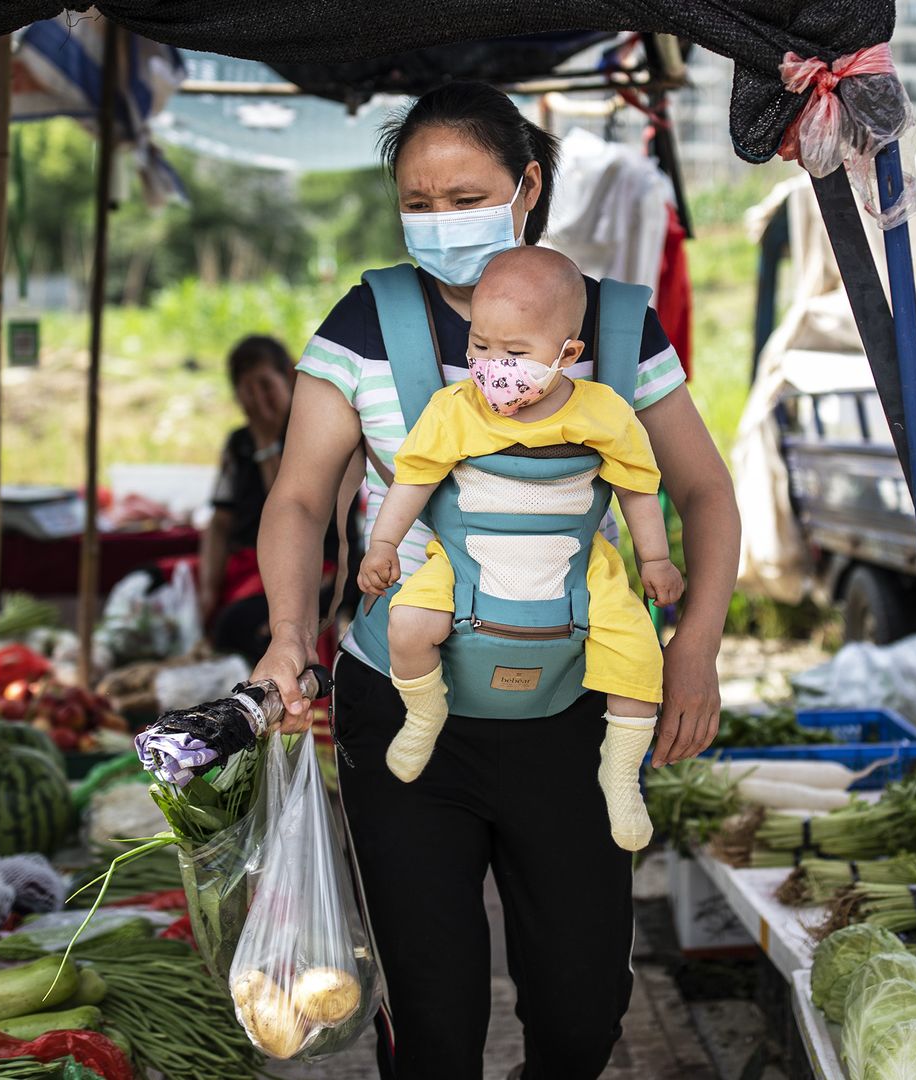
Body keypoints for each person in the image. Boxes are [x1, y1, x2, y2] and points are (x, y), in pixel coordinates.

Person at [252, 82, 740, 1079]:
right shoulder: (364, 324)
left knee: (581, 1012)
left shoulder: (609, 328)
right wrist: (286, 635)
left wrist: (694, 650)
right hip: (402, 706)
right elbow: (301, 498)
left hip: (572, 712)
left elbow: (705, 492)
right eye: (417, 203)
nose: (439, 221)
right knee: (433, 1021)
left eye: (462, 194)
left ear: (526, 186)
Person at [357, 247, 685, 852]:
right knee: (407, 622)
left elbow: (638, 488)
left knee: (639, 652)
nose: (491, 367)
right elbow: (414, 478)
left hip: (577, 570)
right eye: (479, 347)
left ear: (567, 355)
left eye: (515, 353)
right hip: (460, 564)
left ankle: (619, 771)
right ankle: (424, 715)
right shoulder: (453, 410)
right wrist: (383, 544)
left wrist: (656, 560)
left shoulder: (604, 412)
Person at [197, 335, 351, 665]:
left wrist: (267, 444)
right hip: (249, 564)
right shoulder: (239, 443)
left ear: (290, 379)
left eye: (266, 386)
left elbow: (289, 510)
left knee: (236, 626)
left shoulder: (316, 432)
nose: (258, 401)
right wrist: (208, 589)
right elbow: (220, 522)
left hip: (314, 565)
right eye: (247, 391)